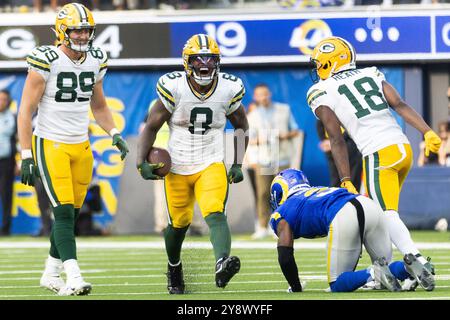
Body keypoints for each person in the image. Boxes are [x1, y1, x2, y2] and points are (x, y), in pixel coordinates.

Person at [307, 36, 439, 290]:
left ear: (330, 63)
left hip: (378, 153)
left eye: (320, 64)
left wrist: (345, 178)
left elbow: (335, 138)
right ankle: (389, 273)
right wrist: (427, 131)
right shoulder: (370, 73)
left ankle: (416, 259)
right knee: (380, 215)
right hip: (402, 148)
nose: (317, 69)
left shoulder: (321, 90)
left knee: (385, 214)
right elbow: (399, 104)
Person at [17, 3, 129, 296]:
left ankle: (50, 273)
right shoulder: (47, 59)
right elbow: (25, 111)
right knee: (64, 213)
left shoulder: (96, 59)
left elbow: (100, 105)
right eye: (76, 30)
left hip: (81, 143)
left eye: (86, 30)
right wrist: (26, 154)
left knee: (72, 214)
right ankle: (74, 276)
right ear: (61, 31)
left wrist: (114, 132)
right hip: (50, 142)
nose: (81, 36)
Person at [137, 34, 249, 294]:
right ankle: (174, 268)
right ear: (187, 62)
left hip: (210, 161)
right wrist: (140, 161)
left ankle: (222, 262)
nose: (205, 64)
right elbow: (151, 126)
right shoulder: (173, 86)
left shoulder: (228, 88)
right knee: (178, 224)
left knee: (215, 213)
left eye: (210, 58)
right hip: (176, 165)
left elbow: (242, 125)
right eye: (199, 58)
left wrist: (237, 163)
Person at [269, 168, 435, 292]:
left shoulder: (282, 212)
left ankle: (375, 272)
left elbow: (285, 257)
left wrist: (295, 287)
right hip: (368, 205)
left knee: (338, 283)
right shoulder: (318, 190)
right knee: (387, 270)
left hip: (343, 212)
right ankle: (408, 267)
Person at [139, 99, 204, 236]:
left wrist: (146, 154)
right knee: (191, 188)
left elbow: (143, 130)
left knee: (162, 192)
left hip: (160, 153)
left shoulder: (155, 103)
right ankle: (195, 225)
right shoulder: (185, 99)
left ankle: (162, 225)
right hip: (181, 151)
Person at [247, 83, 300, 239]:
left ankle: (281, 225)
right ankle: (262, 226)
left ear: (269, 93)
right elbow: (249, 139)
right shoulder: (252, 115)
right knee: (263, 193)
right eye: (259, 95)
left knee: (282, 193)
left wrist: (284, 135)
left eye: (265, 93)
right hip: (264, 159)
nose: (263, 97)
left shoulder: (284, 110)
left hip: (281, 157)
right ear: (255, 97)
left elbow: (295, 130)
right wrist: (260, 141)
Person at [316, 120, 362, 190]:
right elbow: (320, 123)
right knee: (335, 179)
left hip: (349, 147)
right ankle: (338, 197)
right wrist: (324, 141)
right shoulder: (323, 113)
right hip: (332, 149)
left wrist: (336, 141)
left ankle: (352, 197)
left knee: (352, 177)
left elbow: (351, 128)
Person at [0, 89, 17, 236]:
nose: (1, 102)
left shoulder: (13, 117)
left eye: (4, 99)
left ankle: (5, 229)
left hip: (6, 161)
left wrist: (19, 161)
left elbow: (18, 139)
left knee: (6, 195)